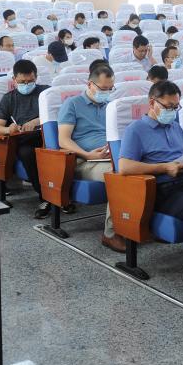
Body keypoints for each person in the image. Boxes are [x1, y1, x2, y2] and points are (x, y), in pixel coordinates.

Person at [118, 81, 183, 275]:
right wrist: (164, 168)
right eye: (168, 107)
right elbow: (124, 167)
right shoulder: (136, 130)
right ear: (152, 103)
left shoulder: (174, 126)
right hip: (163, 190)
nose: (172, 111)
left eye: (175, 107)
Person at [58, 64, 119, 246]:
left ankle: (137, 225)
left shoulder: (111, 106)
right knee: (119, 176)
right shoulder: (72, 104)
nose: (107, 93)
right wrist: (87, 155)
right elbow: (63, 140)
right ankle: (111, 234)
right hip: (84, 161)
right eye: (103, 88)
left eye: (110, 89)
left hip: (111, 156)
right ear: (90, 84)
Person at [0, 60, 50, 214]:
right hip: (25, 139)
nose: (27, 84)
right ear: (14, 79)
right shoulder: (8, 98)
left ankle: (63, 196)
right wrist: (8, 129)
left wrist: (36, 121)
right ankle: (46, 197)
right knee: (27, 153)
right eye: (22, 82)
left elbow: (58, 113)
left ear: (36, 78)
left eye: (31, 81)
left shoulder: (46, 92)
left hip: (47, 135)